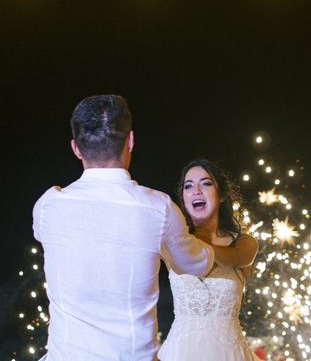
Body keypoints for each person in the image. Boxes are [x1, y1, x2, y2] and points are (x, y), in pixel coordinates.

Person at [32, 95, 215, 361]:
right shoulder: (158, 208)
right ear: (130, 140)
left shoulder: (47, 206)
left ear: (76, 148)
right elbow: (196, 264)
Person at [158, 159, 260, 361]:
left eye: (206, 183)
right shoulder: (170, 243)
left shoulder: (245, 243)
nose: (196, 191)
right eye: (188, 186)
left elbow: (234, 259)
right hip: (179, 353)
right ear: (184, 197)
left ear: (222, 195)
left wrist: (184, 244)